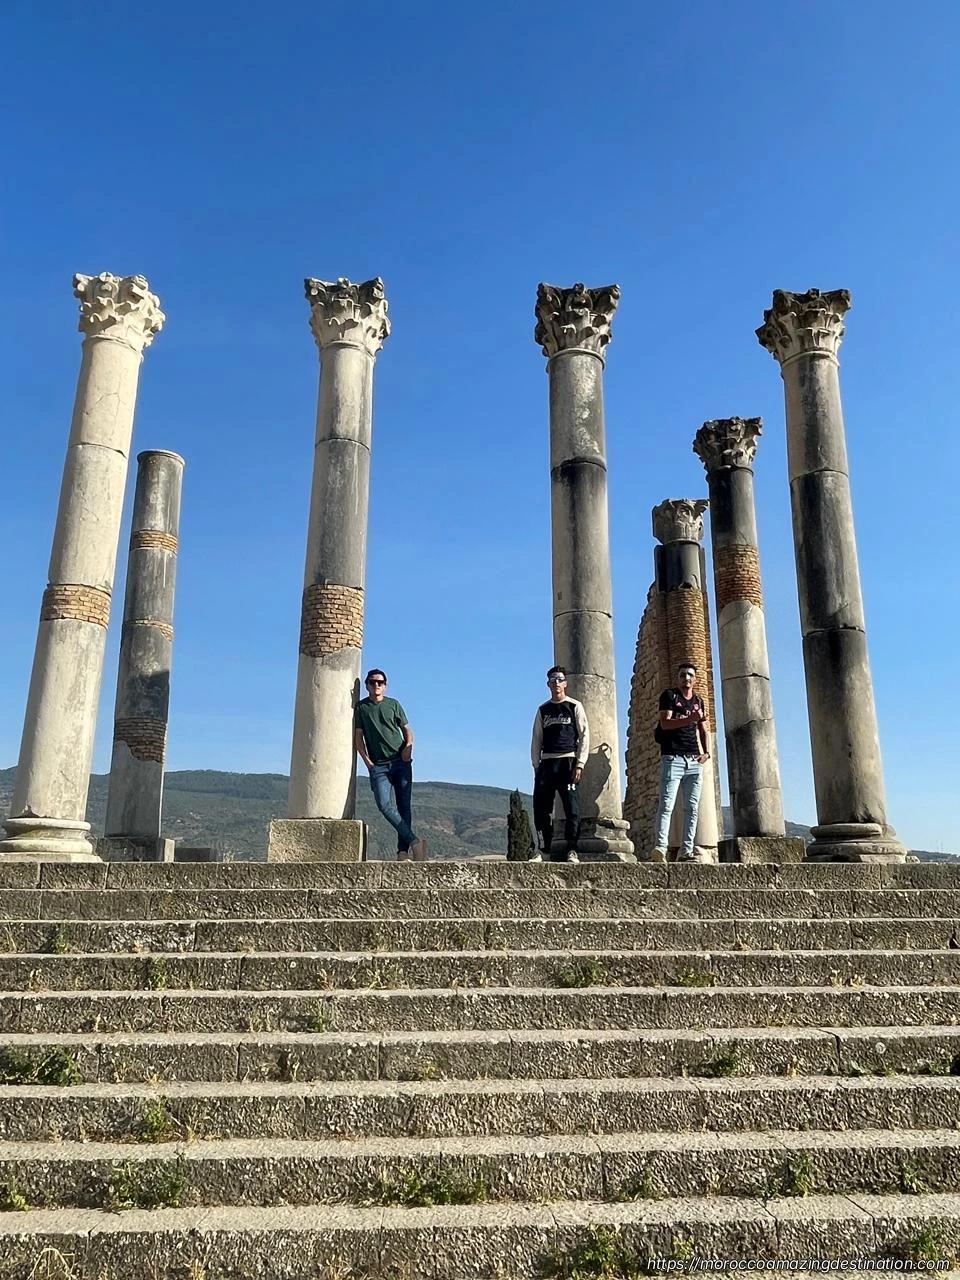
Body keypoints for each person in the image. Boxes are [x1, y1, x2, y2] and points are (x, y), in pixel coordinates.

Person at [354, 669, 427, 861]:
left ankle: (402, 853)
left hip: (400, 761)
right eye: (372, 682)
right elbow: (358, 737)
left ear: (385, 685)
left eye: (380, 682)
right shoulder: (361, 708)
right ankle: (415, 842)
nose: (376, 685)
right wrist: (367, 762)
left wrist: (408, 747)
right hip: (378, 766)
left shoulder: (393, 705)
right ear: (367, 685)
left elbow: (407, 731)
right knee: (385, 805)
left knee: (404, 807)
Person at [651, 661, 710, 863]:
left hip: (694, 760)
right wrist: (688, 719)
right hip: (672, 758)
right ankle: (660, 847)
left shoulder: (699, 701)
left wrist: (707, 753)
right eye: (683, 675)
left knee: (692, 808)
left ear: (695, 679)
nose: (686, 678)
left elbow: (703, 729)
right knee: (667, 804)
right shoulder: (669, 696)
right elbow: (665, 723)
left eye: (689, 675)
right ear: (678, 678)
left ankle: (686, 851)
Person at [529, 666, 589, 864]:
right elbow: (537, 738)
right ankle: (543, 850)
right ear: (548, 684)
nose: (556, 683)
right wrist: (536, 765)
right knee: (541, 808)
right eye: (552, 680)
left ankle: (572, 849)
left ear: (565, 683)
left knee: (572, 808)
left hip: (568, 761)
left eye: (559, 679)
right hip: (547, 762)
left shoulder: (574, 706)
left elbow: (584, 735)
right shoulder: (543, 710)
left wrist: (579, 764)